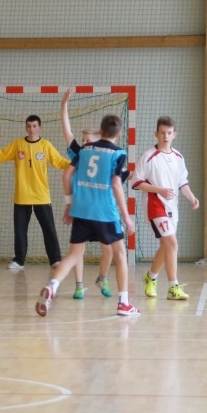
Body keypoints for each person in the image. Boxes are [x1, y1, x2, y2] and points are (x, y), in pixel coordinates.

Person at [35, 114, 138, 318]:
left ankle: (53, 286)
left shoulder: (85, 150)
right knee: (119, 253)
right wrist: (126, 216)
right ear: (119, 133)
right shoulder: (118, 153)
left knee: (73, 255)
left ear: (100, 130)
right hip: (105, 212)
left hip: (81, 209)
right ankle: (124, 303)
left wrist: (69, 203)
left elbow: (66, 174)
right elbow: (116, 184)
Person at [0, 115, 71, 271]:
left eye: (34, 126)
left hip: (41, 196)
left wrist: (75, 164)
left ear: (40, 128)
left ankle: (55, 259)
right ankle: (19, 261)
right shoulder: (18, 144)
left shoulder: (45, 145)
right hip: (22, 196)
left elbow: (59, 161)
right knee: (20, 230)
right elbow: (1, 155)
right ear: (25, 128)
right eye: (29, 126)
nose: (31, 129)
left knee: (49, 229)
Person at [131, 116, 199, 300]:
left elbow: (182, 183)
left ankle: (151, 277)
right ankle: (173, 287)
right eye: (162, 133)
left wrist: (192, 197)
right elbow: (136, 182)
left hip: (172, 207)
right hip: (155, 205)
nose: (165, 136)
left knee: (166, 245)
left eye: (169, 133)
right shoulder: (148, 156)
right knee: (172, 243)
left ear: (174, 135)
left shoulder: (178, 157)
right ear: (156, 134)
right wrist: (159, 189)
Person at [60, 89, 118, 299]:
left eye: (87, 139)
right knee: (78, 251)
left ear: (98, 139)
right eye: (83, 139)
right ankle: (79, 285)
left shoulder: (104, 154)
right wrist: (64, 105)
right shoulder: (79, 152)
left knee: (108, 249)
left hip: (100, 208)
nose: (84, 142)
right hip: (82, 207)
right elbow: (67, 130)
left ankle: (102, 278)